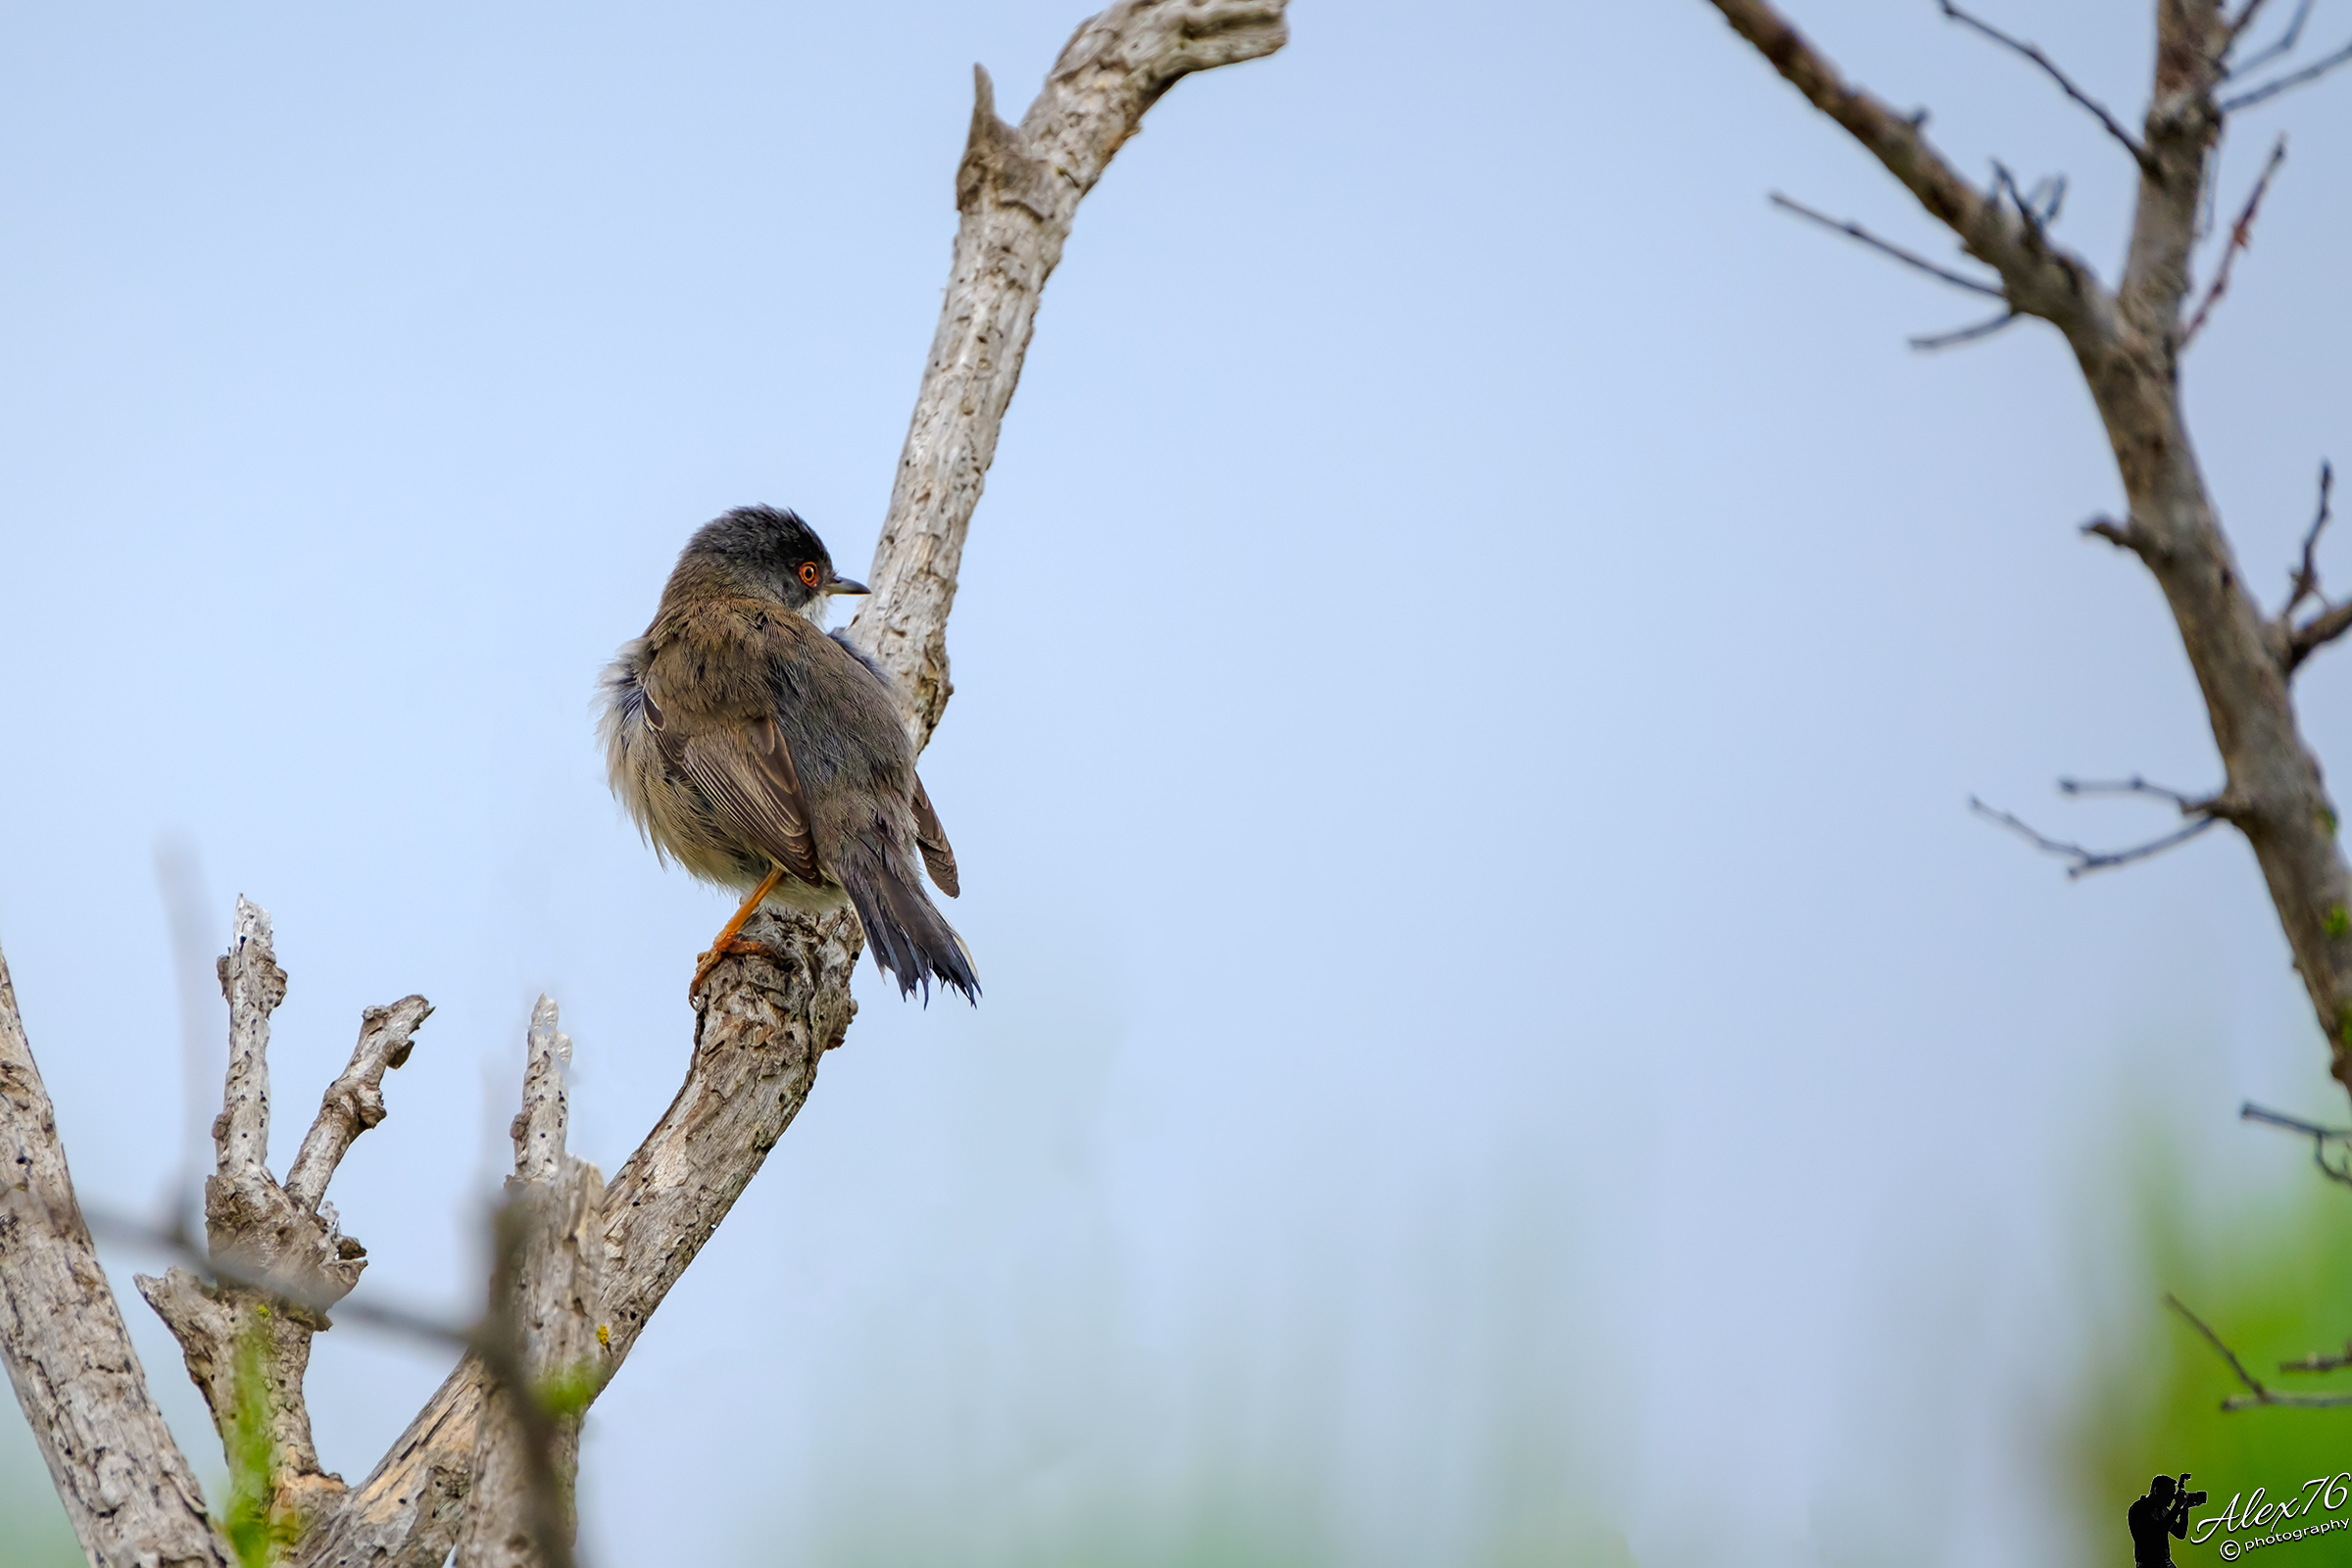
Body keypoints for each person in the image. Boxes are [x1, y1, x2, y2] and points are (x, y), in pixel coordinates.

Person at [2129, 1474, 2188, 1566]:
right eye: (2169, 1493)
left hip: (2164, 1563)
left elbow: (2180, 1533)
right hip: (2148, 1564)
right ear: (2156, 1491)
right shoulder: (2138, 1509)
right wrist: (2177, 1506)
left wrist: (2185, 1509)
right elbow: (2158, 1530)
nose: (2173, 1497)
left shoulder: (2162, 1509)